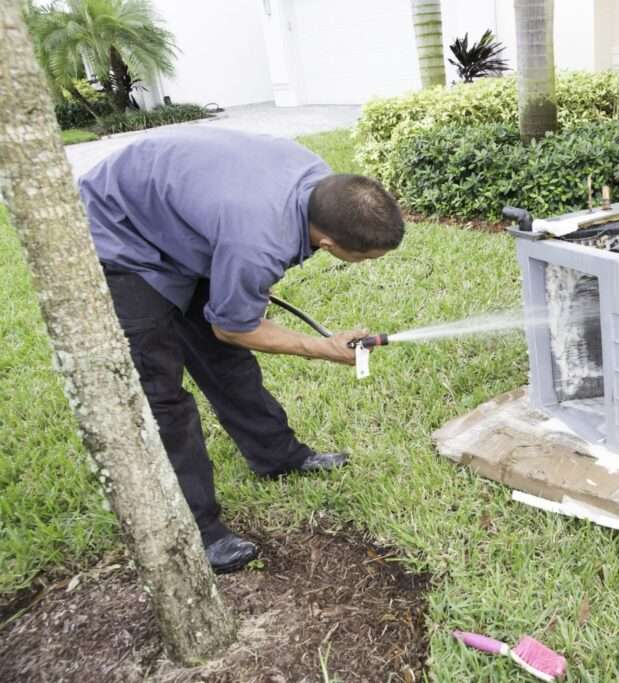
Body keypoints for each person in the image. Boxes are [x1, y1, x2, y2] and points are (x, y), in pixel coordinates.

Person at [78, 127, 404, 573]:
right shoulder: (257, 238)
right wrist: (320, 347)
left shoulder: (322, 187)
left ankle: (279, 458)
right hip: (122, 231)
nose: (368, 263)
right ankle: (199, 531)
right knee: (161, 390)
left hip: (180, 216)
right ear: (329, 242)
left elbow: (238, 283)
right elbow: (234, 328)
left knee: (225, 365)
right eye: (365, 257)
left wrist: (242, 282)